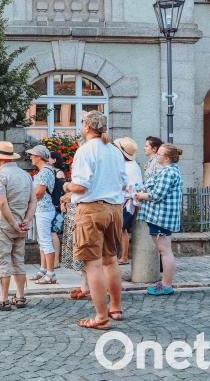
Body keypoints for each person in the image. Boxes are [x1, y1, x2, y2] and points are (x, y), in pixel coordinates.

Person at [63, 111, 126, 330]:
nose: (80, 127)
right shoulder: (115, 151)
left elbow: (81, 186)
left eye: (82, 123)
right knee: (110, 260)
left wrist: (67, 185)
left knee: (93, 264)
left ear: (88, 127)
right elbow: (123, 183)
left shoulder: (85, 150)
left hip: (91, 210)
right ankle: (115, 308)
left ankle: (100, 317)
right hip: (114, 209)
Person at [0, 141, 35, 311]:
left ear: (0, 159)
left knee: (2, 262)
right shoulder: (25, 175)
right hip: (21, 225)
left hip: (3, 225)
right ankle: (20, 296)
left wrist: (12, 222)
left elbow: (1, 202)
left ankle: (3, 299)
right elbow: (33, 201)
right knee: (18, 261)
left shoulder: (0, 175)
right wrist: (26, 220)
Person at [135, 143, 184, 296]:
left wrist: (140, 195)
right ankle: (165, 283)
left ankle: (166, 285)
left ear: (167, 158)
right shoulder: (169, 170)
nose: (157, 156)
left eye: (160, 154)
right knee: (165, 251)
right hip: (161, 217)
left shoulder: (168, 172)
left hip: (161, 217)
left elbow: (156, 195)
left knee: (165, 251)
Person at [27, 145, 57, 284]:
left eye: (32, 155)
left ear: (39, 157)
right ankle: (43, 270)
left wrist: (28, 202)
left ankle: (51, 274)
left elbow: (39, 193)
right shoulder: (45, 170)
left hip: (44, 210)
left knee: (45, 241)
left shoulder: (44, 172)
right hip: (42, 209)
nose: (30, 157)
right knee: (42, 242)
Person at [113, 137, 143, 266]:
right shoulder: (129, 165)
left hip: (126, 202)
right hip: (124, 201)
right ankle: (122, 256)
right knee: (121, 230)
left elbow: (132, 187)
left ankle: (124, 256)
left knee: (121, 229)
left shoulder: (130, 167)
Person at [48, 151, 66, 267]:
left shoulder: (59, 173)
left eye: (49, 158)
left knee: (53, 232)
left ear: (54, 160)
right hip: (52, 207)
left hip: (58, 208)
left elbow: (60, 192)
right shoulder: (50, 172)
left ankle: (56, 261)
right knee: (51, 233)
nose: (47, 160)